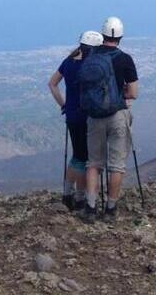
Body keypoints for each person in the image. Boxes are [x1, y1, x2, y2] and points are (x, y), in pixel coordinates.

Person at [81, 16, 138, 223]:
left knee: (94, 163)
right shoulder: (125, 59)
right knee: (116, 165)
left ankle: (90, 207)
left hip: (94, 116)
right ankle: (111, 209)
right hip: (117, 115)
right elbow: (133, 93)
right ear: (121, 36)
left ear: (102, 34)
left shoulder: (90, 56)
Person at [48, 30, 104, 210]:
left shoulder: (68, 62)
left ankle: (67, 193)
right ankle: (79, 198)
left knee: (76, 156)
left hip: (72, 115)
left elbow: (52, 83)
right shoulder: (91, 67)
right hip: (86, 117)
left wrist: (63, 104)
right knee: (84, 158)